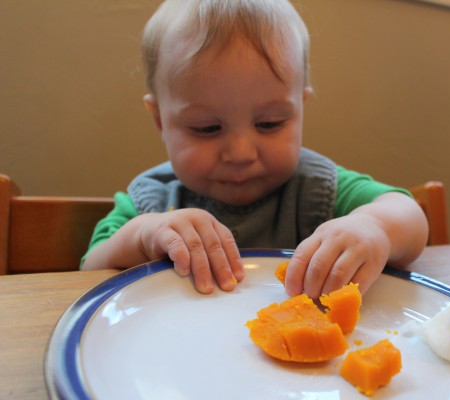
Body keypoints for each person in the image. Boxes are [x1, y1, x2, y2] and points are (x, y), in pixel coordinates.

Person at [82, 0, 429, 300]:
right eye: (207, 128)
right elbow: (91, 269)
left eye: (270, 123)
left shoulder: (318, 189)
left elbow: (407, 213)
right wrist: (145, 235)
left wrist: (374, 227)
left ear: (300, 108)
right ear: (160, 120)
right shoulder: (153, 201)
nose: (241, 153)